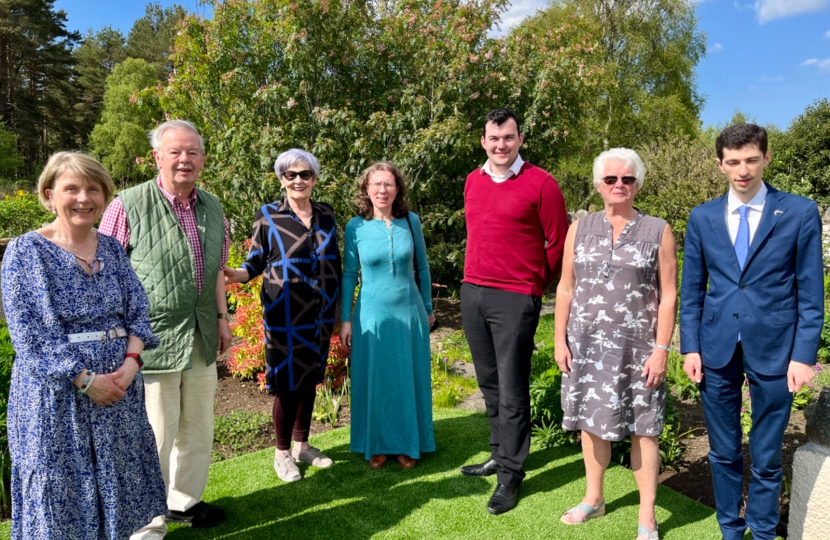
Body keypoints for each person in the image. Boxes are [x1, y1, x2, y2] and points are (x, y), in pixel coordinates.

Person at [1, 152, 166, 539]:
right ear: (49, 193)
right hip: (58, 398)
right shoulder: (25, 252)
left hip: (120, 390)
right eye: (71, 188)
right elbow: (30, 336)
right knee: (61, 493)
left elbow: (139, 314)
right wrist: (86, 379)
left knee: (119, 487)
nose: (83, 198)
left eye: (93, 188)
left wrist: (130, 366)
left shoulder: (110, 248)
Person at [680, 123, 823, 540]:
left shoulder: (798, 212)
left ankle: (761, 531)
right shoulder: (703, 217)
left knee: (766, 453)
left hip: (778, 349)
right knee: (723, 451)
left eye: (751, 160)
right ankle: (730, 528)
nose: (743, 170)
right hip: (715, 348)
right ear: (720, 164)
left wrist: (803, 355)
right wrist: (690, 347)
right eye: (734, 162)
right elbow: (692, 292)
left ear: (766, 158)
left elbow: (810, 293)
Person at [99, 119, 232, 538]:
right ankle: (146, 527)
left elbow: (216, 272)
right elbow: (105, 275)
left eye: (192, 152)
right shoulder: (128, 204)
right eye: (175, 151)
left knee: (197, 428)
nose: (184, 159)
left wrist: (223, 318)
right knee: (155, 435)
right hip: (148, 342)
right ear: (157, 157)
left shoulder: (212, 206)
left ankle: (183, 502)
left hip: (199, 334)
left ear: (203, 159)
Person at [554, 148, 677, 540]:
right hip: (586, 346)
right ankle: (594, 497)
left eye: (627, 179)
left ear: (638, 184)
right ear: (598, 185)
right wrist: (560, 338)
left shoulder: (658, 229)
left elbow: (670, 295)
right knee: (590, 424)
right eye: (611, 179)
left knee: (645, 429)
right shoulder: (580, 227)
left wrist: (662, 350)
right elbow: (565, 287)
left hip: (638, 350)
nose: (619, 185)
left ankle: (647, 517)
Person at [459, 107, 570, 514]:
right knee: (488, 383)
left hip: (515, 296)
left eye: (508, 137)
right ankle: (497, 453)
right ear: (483, 141)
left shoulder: (542, 183)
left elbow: (558, 243)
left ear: (519, 139)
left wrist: (535, 284)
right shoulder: (473, 181)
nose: (501, 145)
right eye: (493, 138)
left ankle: (510, 476)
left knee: (512, 388)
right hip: (473, 291)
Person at [224, 149, 341, 482]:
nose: (298, 180)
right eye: (290, 175)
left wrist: (337, 310)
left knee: (310, 381)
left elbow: (335, 262)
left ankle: (303, 446)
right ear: (281, 180)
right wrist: (236, 274)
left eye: (305, 174)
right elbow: (255, 262)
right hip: (284, 315)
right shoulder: (269, 215)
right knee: (288, 385)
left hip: (320, 314)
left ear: (315, 178)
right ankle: (282, 455)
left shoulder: (326, 214)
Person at [339, 161, 435, 469]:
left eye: (388, 184)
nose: (382, 189)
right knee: (376, 380)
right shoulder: (356, 227)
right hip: (371, 316)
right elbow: (350, 274)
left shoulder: (411, 222)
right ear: (366, 189)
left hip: (409, 313)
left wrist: (429, 309)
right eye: (376, 184)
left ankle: (408, 444)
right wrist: (345, 319)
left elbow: (422, 267)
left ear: (398, 189)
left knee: (407, 377)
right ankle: (376, 445)